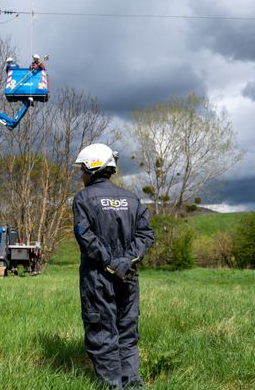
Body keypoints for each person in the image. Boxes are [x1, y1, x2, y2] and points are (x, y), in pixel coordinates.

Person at [72, 143, 155, 389]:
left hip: (98, 277)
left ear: (92, 168)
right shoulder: (132, 199)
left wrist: (109, 263)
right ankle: (133, 385)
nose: (81, 175)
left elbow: (85, 236)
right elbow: (146, 235)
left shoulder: (83, 199)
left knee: (102, 333)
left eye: (82, 169)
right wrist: (126, 261)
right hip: (128, 276)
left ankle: (112, 386)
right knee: (127, 334)